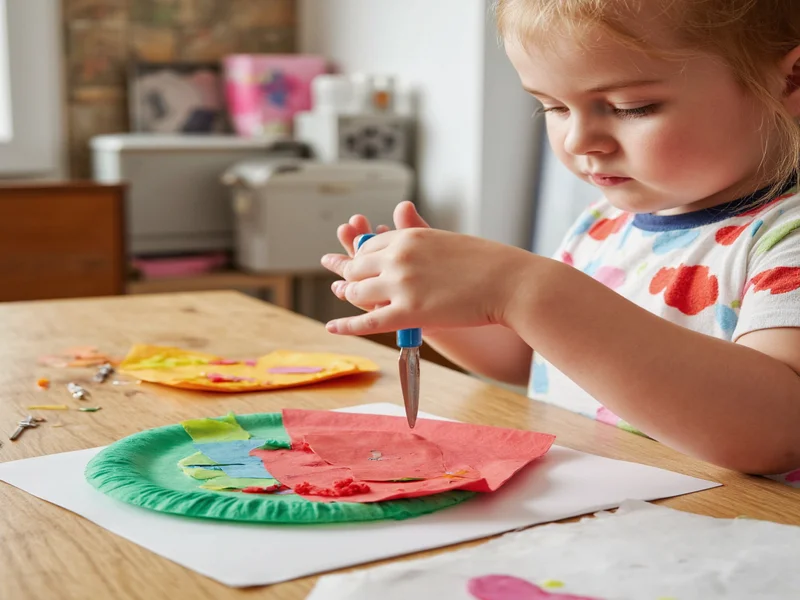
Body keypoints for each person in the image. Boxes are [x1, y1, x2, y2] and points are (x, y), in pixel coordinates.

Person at [321, 0, 800, 487]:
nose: (577, 140)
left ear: (791, 80)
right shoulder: (605, 222)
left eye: (630, 107)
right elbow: (529, 357)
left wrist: (524, 289)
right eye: (552, 106)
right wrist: (435, 299)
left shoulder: (786, 236)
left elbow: (775, 431)